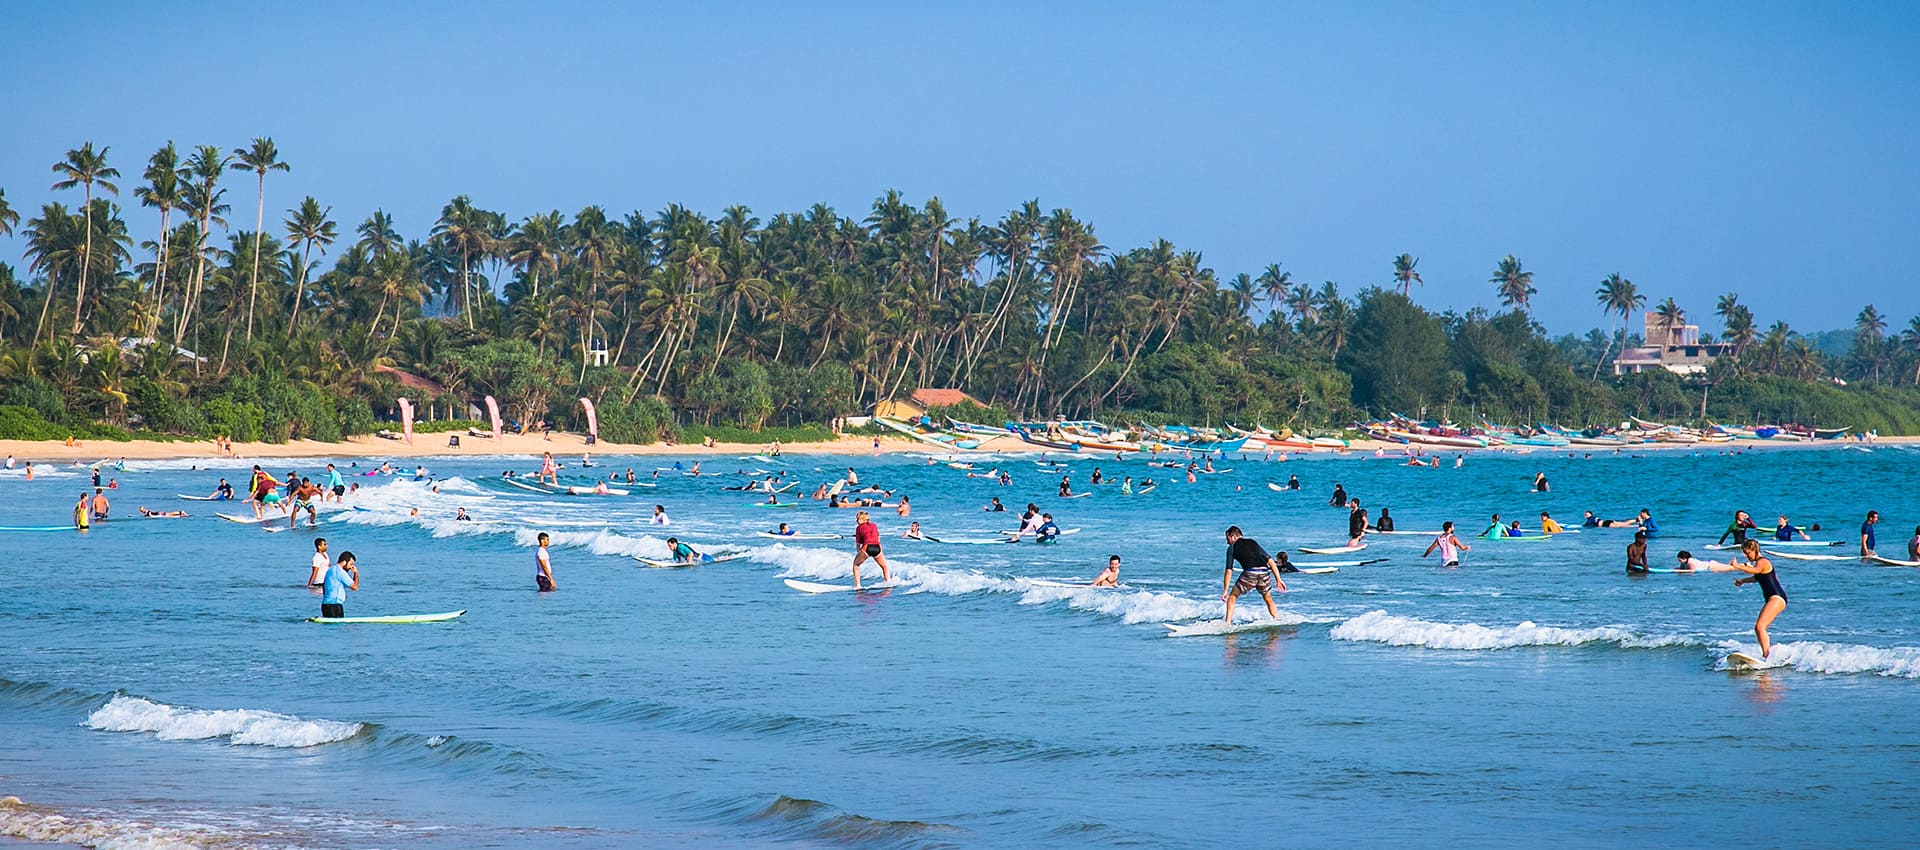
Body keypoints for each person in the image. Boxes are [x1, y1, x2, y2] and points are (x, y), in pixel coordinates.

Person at [1722, 539, 1788, 658]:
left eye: (1748, 553)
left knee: (1759, 626)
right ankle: (1767, 654)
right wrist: (1742, 581)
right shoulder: (1759, 563)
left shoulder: (1763, 561)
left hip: (1777, 597)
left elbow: (1756, 570)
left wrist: (1737, 566)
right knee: (1760, 627)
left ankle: (1766, 656)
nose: (1747, 556)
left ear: (1755, 550)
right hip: (1773, 598)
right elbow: (1757, 577)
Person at [1221, 526, 1287, 624]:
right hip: (1264, 571)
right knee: (1268, 598)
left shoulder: (1232, 547)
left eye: (1228, 539)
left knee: (1232, 596)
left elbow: (1229, 570)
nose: (1227, 542)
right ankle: (1277, 620)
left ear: (1233, 536)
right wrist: (1278, 580)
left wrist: (1225, 590)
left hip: (1250, 572)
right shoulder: (1253, 542)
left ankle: (1227, 624)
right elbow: (1271, 561)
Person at [850, 510, 891, 589]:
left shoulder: (859, 528)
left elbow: (858, 543)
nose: (856, 521)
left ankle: (858, 586)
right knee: (884, 566)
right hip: (877, 547)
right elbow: (876, 537)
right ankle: (888, 583)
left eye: (858, 519)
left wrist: (859, 551)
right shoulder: (874, 525)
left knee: (856, 565)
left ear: (863, 519)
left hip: (867, 547)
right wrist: (881, 550)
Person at [320, 551, 360, 619]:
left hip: (325, 604)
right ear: (344, 562)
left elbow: (324, 588)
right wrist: (356, 573)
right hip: (335, 605)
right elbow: (355, 587)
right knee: (338, 627)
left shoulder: (330, 569)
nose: (351, 567)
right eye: (351, 564)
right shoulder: (340, 572)